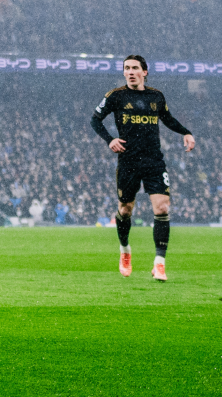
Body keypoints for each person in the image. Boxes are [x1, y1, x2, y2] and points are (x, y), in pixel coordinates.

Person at [90, 55, 196, 281]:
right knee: (125, 210)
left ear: (144, 72)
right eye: (126, 68)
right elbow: (95, 120)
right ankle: (125, 250)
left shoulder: (155, 96)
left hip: (153, 161)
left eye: (134, 68)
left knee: (162, 209)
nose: (130, 71)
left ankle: (159, 263)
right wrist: (110, 139)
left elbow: (167, 118)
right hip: (128, 162)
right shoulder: (116, 96)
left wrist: (186, 132)